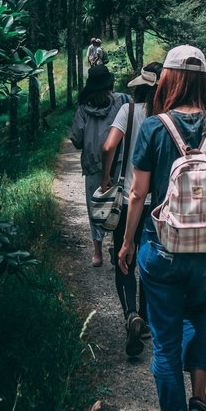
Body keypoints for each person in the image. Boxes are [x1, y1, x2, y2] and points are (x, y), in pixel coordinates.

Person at [118, 44, 206, 411]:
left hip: (162, 246)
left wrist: (128, 242)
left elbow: (137, 195)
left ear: (167, 79)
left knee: (165, 340)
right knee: (199, 316)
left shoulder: (155, 127)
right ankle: (200, 400)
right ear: (204, 81)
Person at [101, 62, 163, 357]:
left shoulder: (128, 111)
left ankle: (130, 314)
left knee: (123, 258)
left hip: (128, 200)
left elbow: (107, 146)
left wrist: (105, 177)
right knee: (148, 261)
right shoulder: (166, 117)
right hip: (159, 205)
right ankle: (147, 320)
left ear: (139, 86)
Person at [70, 64, 130, 267]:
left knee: (95, 207)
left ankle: (97, 253)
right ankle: (117, 245)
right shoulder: (122, 100)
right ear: (109, 83)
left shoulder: (83, 109)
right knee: (120, 205)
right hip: (120, 162)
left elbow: (76, 139)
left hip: (93, 165)